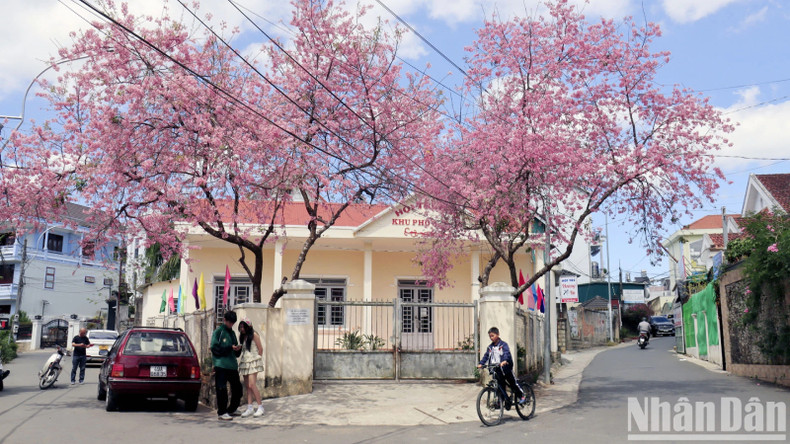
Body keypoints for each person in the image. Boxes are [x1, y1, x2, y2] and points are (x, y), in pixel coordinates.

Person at [477, 327, 526, 405]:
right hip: (496, 369)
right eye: (490, 336)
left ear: (498, 334)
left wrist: (505, 361)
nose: (491, 338)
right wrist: (481, 363)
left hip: (505, 368)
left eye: (493, 335)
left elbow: (507, 353)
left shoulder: (503, 345)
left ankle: (522, 396)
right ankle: (502, 400)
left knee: (513, 383)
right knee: (500, 385)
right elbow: (486, 356)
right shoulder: (490, 347)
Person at [211, 311, 243, 421]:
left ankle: (232, 409)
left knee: (238, 388)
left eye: (232, 323)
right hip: (221, 365)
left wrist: (238, 349)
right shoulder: (218, 332)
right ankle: (222, 412)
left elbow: (236, 352)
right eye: (229, 322)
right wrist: (229, 348)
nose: (231, 325)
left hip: (232, 365)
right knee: (222, 389)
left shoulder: (232, 333)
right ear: (224, 320)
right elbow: (214, 349)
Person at [237, 319, 265, 418]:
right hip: (245, 361)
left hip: (253, 361)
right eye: (240, 327)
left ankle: (260, 406)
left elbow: (260, 349)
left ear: (248, 327)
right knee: (248, 386)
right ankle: (250, 407)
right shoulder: (243, 337)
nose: (242, 329)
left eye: (243, 327)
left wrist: (257, 360)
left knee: (252, 384)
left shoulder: (254, 335)